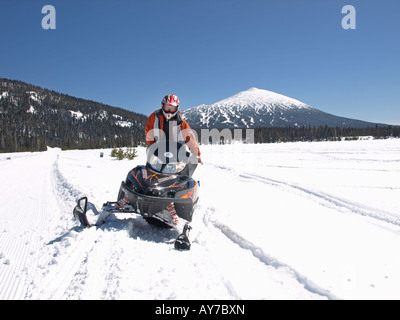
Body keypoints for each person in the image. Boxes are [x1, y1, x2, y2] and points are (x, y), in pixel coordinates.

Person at [145, 94, 202, 164]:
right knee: (153, 171)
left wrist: (196, 154)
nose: (169, 111)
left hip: (176, 154)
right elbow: (149, 132)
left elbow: (190, 138)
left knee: (177, 172)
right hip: (158, 151)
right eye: (167, 107)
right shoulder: (154, 117)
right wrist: (153, 147)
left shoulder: (181, 122)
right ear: (162, 106)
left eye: (172, 108)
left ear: (177, 108)